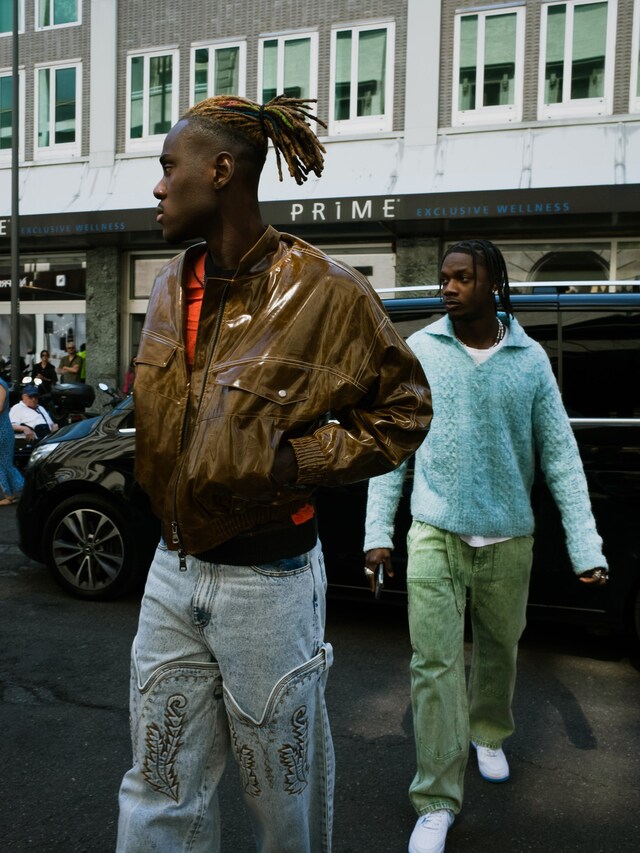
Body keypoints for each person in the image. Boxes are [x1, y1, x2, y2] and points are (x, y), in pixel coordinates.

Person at [116, 94, 432, 853]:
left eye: (169, 167)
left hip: (269, 583)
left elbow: (404, 410)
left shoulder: (327, 291)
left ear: (221, 170)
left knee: (279, 799)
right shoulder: (167, 284)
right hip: (170, 571)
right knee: (157, 785)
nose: (159, 187)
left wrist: (302, 458)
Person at [363, 239, 608, 853]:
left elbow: (560, 457)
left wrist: (586, 546)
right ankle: (437, 800)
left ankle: (489, 732)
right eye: (445, 277)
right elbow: (392, 449)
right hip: (434, 535)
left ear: (493, 283)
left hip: (509, 538)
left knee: (499, 649)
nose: (448, 287)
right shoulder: (419, 351)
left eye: (462, 277)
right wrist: (376, 533)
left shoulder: (529, 361)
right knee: (435, 665)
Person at [0, 376, 24, 505]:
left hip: (2, 430)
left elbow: (0, 407)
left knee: (4, 465)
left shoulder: (0, 384)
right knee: (5, 465)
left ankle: (12, 494)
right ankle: (12, 494)